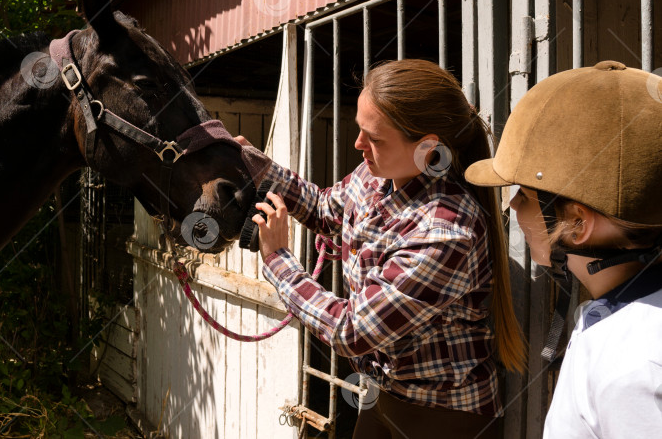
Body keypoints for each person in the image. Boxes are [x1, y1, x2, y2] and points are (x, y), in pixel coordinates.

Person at [236, 59, 525, 439]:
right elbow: (325, 208)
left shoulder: (446, 231)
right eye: (360, 130)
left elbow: (353, 330)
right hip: (387, 395)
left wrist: (279, 261)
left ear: (426, 150)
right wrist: (252, 164)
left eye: (374, 138)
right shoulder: (374, 177)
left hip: (445, 416)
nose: (358, 145)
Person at [463, 60, 662, 438]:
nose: (513, 206)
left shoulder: (635, 368)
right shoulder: (622, 315)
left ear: (577, 224)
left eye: (525, 194)